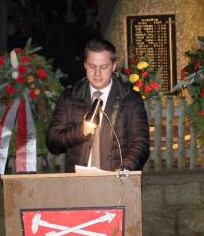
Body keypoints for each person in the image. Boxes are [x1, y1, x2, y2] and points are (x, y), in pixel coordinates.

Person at [47, 38, 149, 172]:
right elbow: (53, 143)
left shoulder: (130, 100)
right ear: (85, 65)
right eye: (92, 66)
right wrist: (81, 130)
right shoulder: (69, 98)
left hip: (116, 179)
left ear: (113, 66)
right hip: (78, 180)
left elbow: (140, 144)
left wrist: (123, 169)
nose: (97, 73)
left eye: (103, 67)